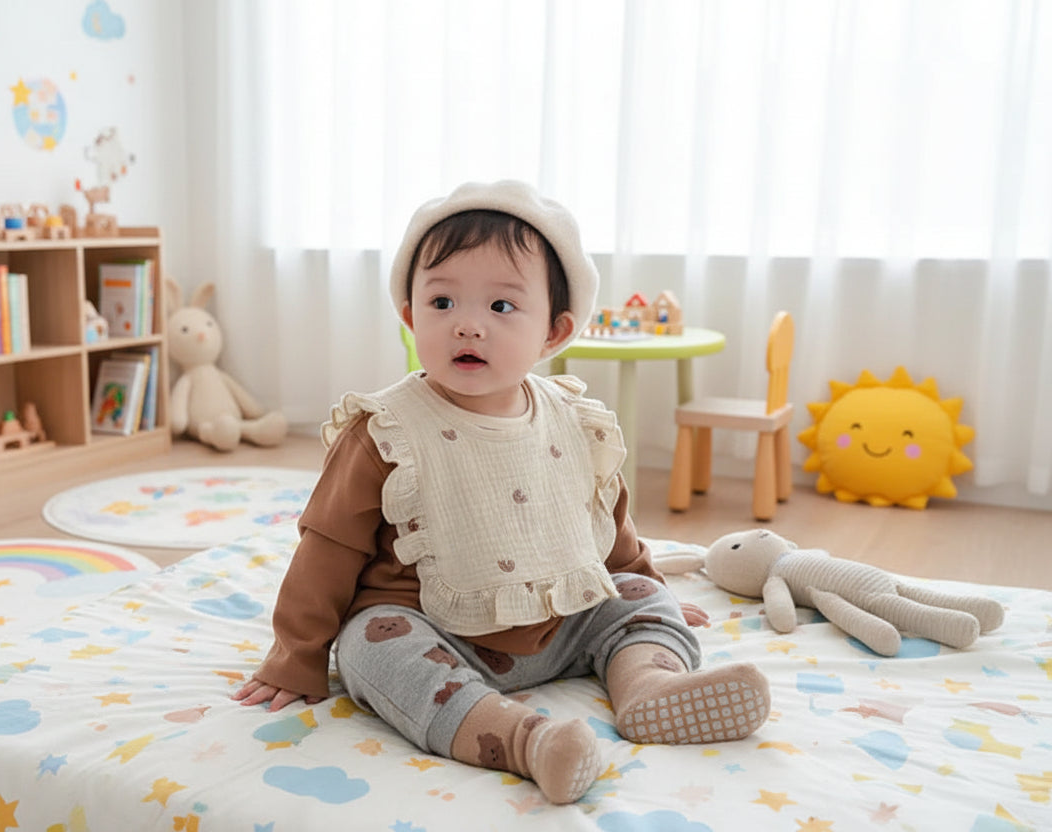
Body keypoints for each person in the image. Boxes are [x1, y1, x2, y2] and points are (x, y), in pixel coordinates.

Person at [234, 180, 770, 804]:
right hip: (434, 632)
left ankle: (648, 687)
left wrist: (644, 582)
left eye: (501, 306)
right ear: (409, 316)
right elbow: (326, 547)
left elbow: (604, 517)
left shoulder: (575, 419)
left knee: (638, 597)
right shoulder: (386, 431)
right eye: (441, 302)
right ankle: (525, 741)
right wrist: (296, 654)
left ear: (554, 333)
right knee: (368, 645)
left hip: (564, 621)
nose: (467, 325)